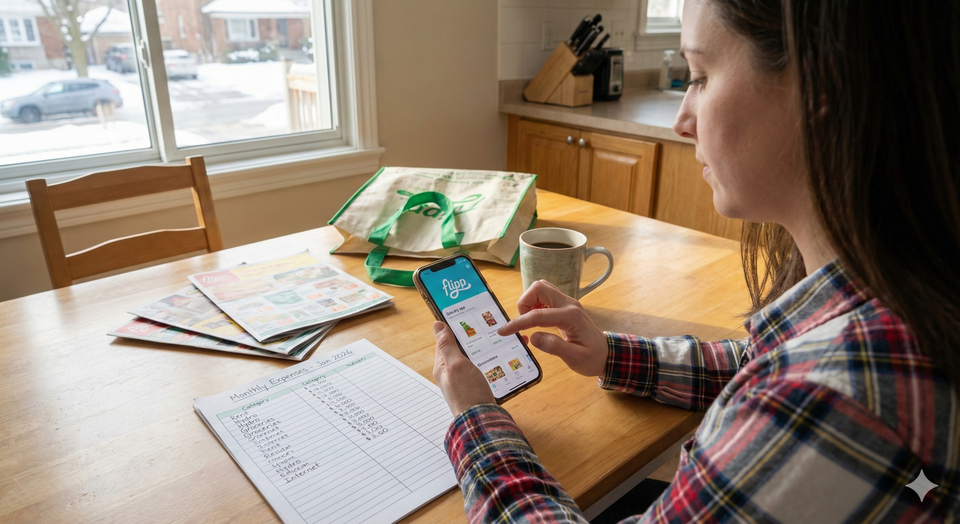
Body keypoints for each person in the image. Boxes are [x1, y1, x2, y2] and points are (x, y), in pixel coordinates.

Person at [431, 0, 960, 522]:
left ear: (822, 86)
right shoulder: (900, 291)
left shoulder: (825, 404)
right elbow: (758, 359)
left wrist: (478, 421)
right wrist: (612, 354)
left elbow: (790, 391)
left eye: (701, 75)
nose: (683, 120)